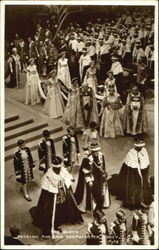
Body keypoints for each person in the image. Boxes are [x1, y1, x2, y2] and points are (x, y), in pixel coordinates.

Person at [30, 156, 83, 237]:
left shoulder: (62, 170)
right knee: (52, 212)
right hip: (54, 198)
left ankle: (66, 218)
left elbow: (67, 176)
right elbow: (45, 191)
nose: (58, 170)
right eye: (56, 168)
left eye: (59, 168)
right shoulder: (48, 175)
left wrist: (69, 180)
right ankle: (54, 225)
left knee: (65, 206)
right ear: (53, 167)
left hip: (63, 194)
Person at [117, 136, 153, 208]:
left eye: (141, 146)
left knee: (144, 185)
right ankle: (135, 202)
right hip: (134, 175)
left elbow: (146, 163)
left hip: (143, 173)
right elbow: (129, 170)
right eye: (139, 147)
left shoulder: (144, 151)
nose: (140, 148)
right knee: (135, 187)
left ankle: (143, 199)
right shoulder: (131, 154)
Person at [74, 143, 110, 213]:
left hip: (100, 177)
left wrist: (104, 174)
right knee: (95, 192)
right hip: (92, 178)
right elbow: (86, 172)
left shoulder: (101, 156)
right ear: (92, 152)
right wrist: (89, 181)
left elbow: (102, 167)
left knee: (102, 191)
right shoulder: (87, 159)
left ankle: (101, 205)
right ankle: (95, 208)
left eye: (97, 151)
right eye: (95, 152)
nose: (96, 153)